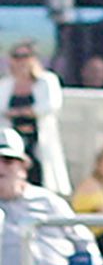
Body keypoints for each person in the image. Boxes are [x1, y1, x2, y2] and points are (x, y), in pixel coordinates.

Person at [0, 127, 96, 265]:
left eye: (8, 161)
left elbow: (83, 243)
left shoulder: (48, 201)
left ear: (23, 167)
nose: (1, 168)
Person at [6, 42, 66, 194]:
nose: (21, 61)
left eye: (25, 56)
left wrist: (20, 112)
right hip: (12, 141)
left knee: (41, 175)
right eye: (16, 57)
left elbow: (50, 105)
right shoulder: (6, 84)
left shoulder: (47, 80)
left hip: (38, 139)